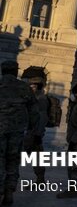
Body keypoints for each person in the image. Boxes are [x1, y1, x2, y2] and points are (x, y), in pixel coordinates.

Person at [0, 61, 39, 205]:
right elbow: (34, 112)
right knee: (13, 160)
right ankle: (9, 192)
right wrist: (31, 130)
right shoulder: (24, 87)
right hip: (17, 131)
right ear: (16, 71)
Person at [23, 75, 49, 184]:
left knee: (37, 156)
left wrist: (38, 134)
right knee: (35, 156)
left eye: (32, 86)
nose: (30, 88)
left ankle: (40, 180)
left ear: (38, 87)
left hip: (35, 133)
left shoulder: (41, 99)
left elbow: (43, 117)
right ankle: (40, 179)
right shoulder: (34, 99)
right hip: (30, 132)